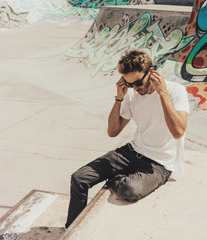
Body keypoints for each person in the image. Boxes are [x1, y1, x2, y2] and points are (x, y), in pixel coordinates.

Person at [65, 49, 189, 228]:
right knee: (79, 178)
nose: (136, 88)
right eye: (130, 84)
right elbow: (112, 131)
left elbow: (178, 131)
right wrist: (119, 97)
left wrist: (163, 94)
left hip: (159, 164)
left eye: (138, 82)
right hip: (131, 152)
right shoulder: (131, 93)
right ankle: (70, 229)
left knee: (129, 190)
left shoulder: (175, 91)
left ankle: (115, 179)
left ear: (151, 72)